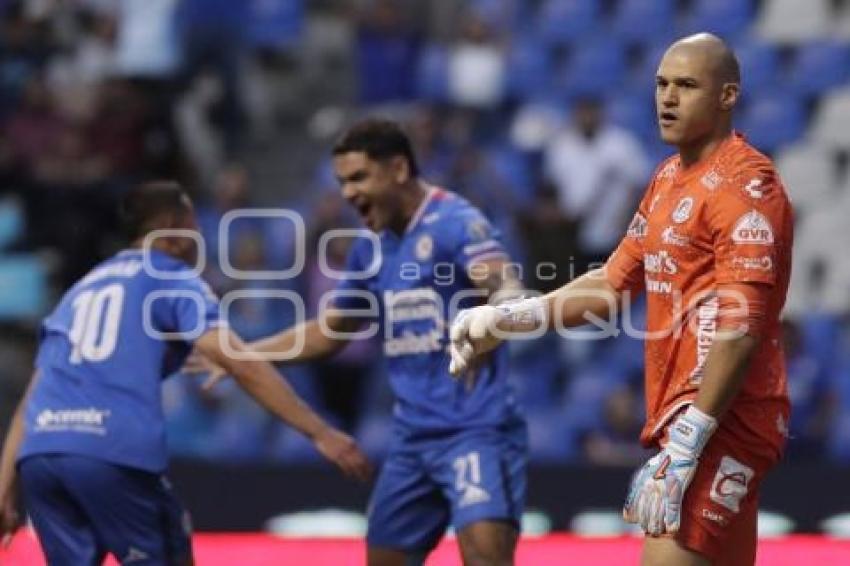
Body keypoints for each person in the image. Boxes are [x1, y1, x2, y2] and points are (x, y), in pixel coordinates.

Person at [449, 33, 793, 566]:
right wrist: (504, 319)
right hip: (697, 420)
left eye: (687, 86)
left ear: (727, 96)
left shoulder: (747, 188)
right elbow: (610, 285)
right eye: (661, 85)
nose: (668, 99)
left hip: (722, 420)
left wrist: (687, 445)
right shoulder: (668, 179)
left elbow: (739, 329)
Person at [194, 118, 528, 566]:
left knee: (486, 559)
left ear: (397, 169)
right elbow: (332, 330)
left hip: (476, 431)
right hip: (412, 440)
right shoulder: (369, 248)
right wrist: (245, 354)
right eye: (342, 182)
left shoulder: (457, 223)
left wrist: (499, 313)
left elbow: (504, 287)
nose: (348, 193)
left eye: (358, 178)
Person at [0, 181, 370, 564]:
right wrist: (320, 432)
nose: (200, 234)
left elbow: (34, 393)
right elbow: (239, 361)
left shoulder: (80, 290)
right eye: (193, 223)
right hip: (110, 450)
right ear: (173, 230)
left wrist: (3, 488)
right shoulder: (171, 278)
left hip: (43, 457)